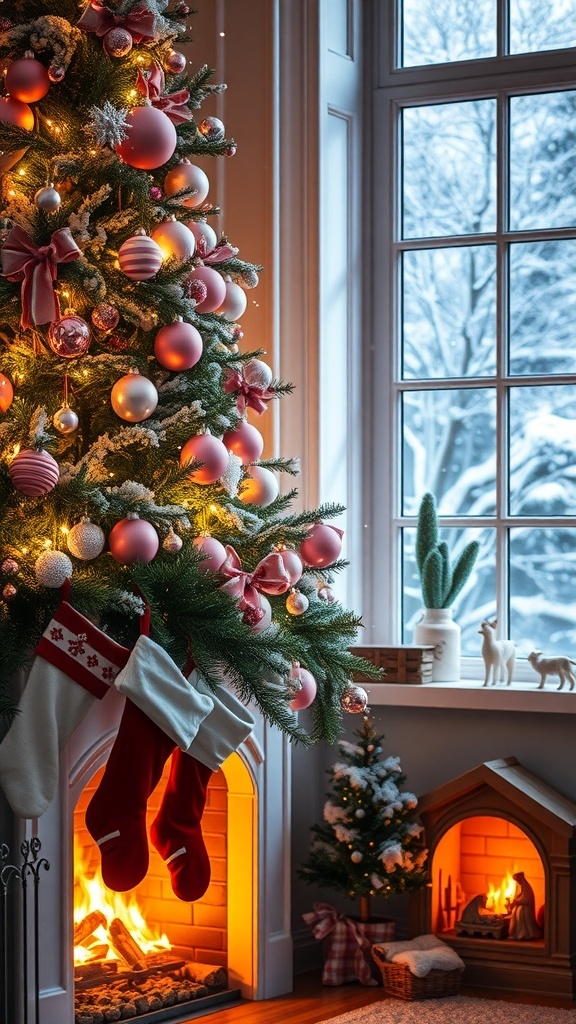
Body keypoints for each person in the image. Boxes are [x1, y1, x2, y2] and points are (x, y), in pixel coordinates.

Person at [507, 871, 541, 940]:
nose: (518, 881)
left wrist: (517, 901)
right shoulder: (520, 886)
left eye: (518, 879)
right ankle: (515, 933)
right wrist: (515, 900)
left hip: (526, 907)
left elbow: (527, 899)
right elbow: (519, 896)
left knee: (520, 912)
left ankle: (524, 934)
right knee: (514, 912)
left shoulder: (526, 887)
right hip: (520, 905)